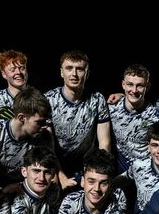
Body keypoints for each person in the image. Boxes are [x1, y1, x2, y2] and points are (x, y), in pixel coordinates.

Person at [44, 51, 111, 189]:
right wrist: (60, 175)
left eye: (79, 69)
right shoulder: (49, 100)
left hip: (86, 167)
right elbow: (47, 145)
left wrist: (97, 172)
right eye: (69, 68)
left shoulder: (97, 99)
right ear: (61, 72)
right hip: (56, 166)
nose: (74, 74)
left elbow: (104, 141)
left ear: (87, 73)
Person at [0, 87, 53, 185]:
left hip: (25, 188)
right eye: (40, 122)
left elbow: (48, 172)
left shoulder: (44, 137)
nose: (45, 127)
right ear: (21, 117)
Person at [108, 64, 159, 172]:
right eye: (130, 84)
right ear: (123, 84)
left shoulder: (155, 116)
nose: (134, 90)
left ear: (147, 87)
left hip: (143, 170)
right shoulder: (111, 108)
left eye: (140, 85)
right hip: (117, 165)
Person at [0, 50, 29, 120]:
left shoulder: (36, 95)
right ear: (4, 74)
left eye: (22, 68)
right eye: (12, 70)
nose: (18, 72)